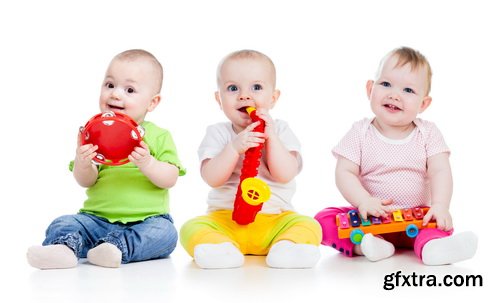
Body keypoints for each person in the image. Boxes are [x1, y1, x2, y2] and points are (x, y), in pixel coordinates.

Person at [315, 47, 477, 265]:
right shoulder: (359, 132)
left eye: (408, 90)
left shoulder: (428, 133)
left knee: (437, 224)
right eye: (386, 84)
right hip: (370, 219)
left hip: (418, 220)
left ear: (423, 104)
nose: (394, 95)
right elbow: (344, 172)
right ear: (370, 89)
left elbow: (440, 170)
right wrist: (363, 201)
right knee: (324, 219)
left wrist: (440, 205)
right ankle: (368, 245)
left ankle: (434, 248)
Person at [27, 49, 185, 269]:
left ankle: (115, 249)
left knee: (165, 234)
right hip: (96, 220)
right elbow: (86, 181)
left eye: (129, 89)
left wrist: (148, 163)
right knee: (64, 222)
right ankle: (63, 249)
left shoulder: (159, 136)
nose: (115, 94)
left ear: (152, 102)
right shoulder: (95, 133)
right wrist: (83, 162)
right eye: (110, 85)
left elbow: (170, 178)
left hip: (146, 220)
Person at [180, 50, 321, 269]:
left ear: (273, 98)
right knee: (191, 227)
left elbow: (285, 174)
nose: (244, 96)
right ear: (219, 98)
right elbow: (212, 178)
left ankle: (286, 248)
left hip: (275, 220)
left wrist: (271, 136)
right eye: (233, 88)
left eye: (256, 87)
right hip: (225, 220)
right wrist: (234, 147)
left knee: (309, 224)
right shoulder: (217, 133)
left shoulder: (281, 130)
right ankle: (221, 249)